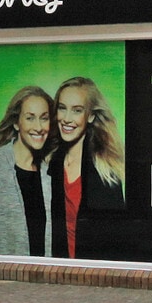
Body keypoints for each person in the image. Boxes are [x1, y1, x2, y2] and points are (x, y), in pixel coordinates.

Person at [47, 76, 124, 259]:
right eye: (62, 108)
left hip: (93, 270)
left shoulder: (106, 170)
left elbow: (118, 238)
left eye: (77, 110)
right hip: (56, 266)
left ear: (90, 116)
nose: (66, 118)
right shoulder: (49, 162)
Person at [0, 86, 52, 257]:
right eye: (30, 118)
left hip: (45, 275)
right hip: (4, 276)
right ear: (16, 123)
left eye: (44, 118)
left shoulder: (51, 170)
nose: (38, 127)